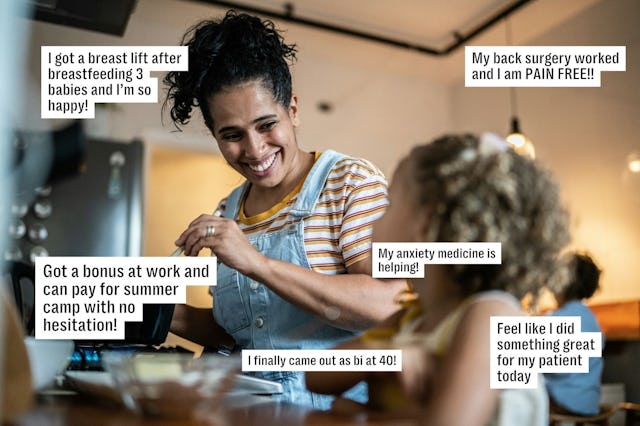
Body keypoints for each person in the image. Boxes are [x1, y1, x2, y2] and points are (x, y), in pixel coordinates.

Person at [163, 11, 404, 409]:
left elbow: (389, 305)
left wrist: (257, 263)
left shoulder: (349, 183)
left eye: (266, 124)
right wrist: (159, 311)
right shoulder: (228, 210)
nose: (255, 150)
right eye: (232, 135)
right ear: (214, 134)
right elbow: (243, 338)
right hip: (246, 410)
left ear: (293, 109)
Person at [306, 133, 571, 425]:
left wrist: (358, 417)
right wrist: (383, 352)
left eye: (389, 205)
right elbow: (315, 376)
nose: (375, 220)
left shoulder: (490, 315)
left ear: (425, 222)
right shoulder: (411, 318)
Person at [545, 252, 604, 416]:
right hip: (590, 403)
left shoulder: (557, 319)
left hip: (563, 402)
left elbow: (556, 368)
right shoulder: (591, 319)